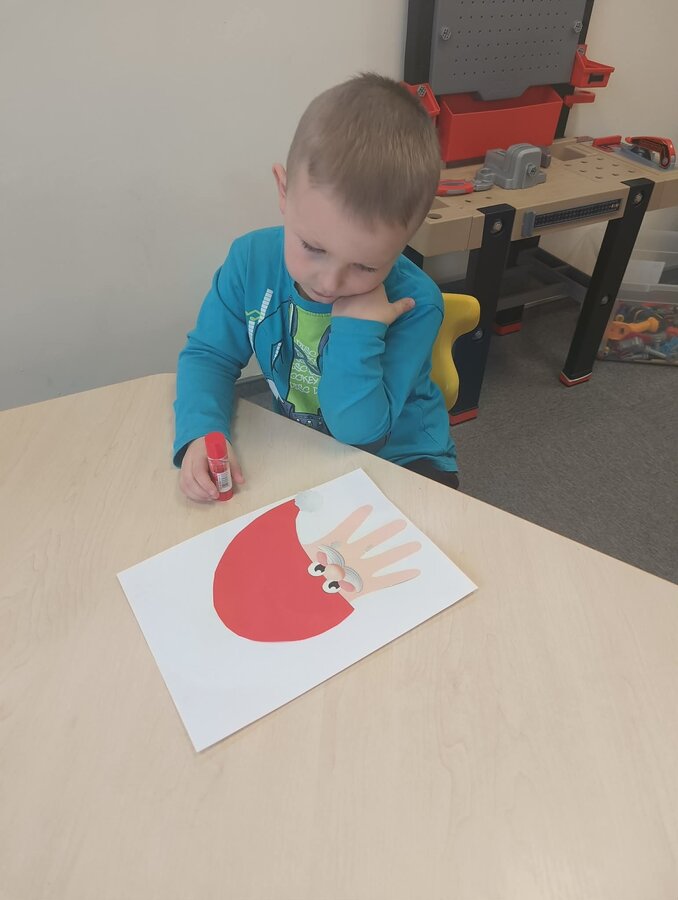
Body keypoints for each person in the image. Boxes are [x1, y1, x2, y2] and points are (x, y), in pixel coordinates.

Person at [174, 73, 458, 501]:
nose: (329, 283)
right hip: (305, 446)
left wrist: (358, 332)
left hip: (402, 457)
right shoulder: (250, 262)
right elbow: (209, 356)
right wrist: (202, 431)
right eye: (313, 247)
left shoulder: (415, 303)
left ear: (405, 239)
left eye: (365, 266)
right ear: (284, 190)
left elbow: (362, 434)